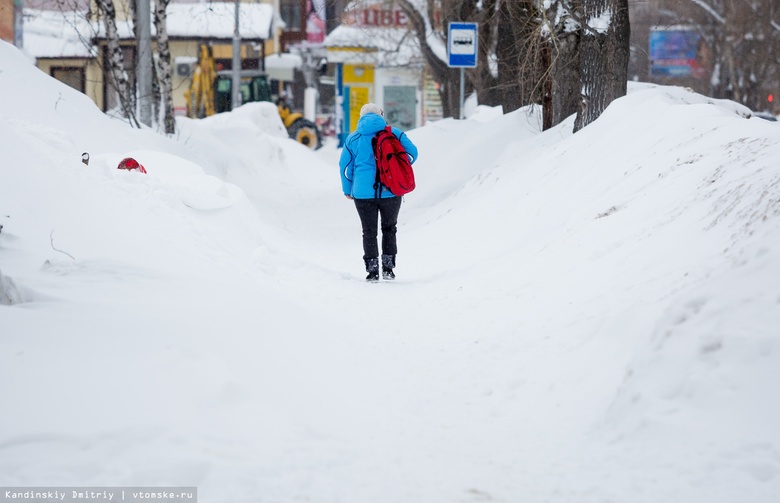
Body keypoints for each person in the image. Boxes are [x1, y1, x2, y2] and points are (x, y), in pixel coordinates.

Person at [339, 103, 418, 281]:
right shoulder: (395, 134)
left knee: (369, 231)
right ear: (380, 115)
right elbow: (413, 153)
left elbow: (345, 167)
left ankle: (372, 270)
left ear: (361, 117)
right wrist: (397, 170)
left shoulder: (353, 138)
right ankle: (388, 269)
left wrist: (348, 188)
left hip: (362, 193)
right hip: (391, 191)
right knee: (389, 229)